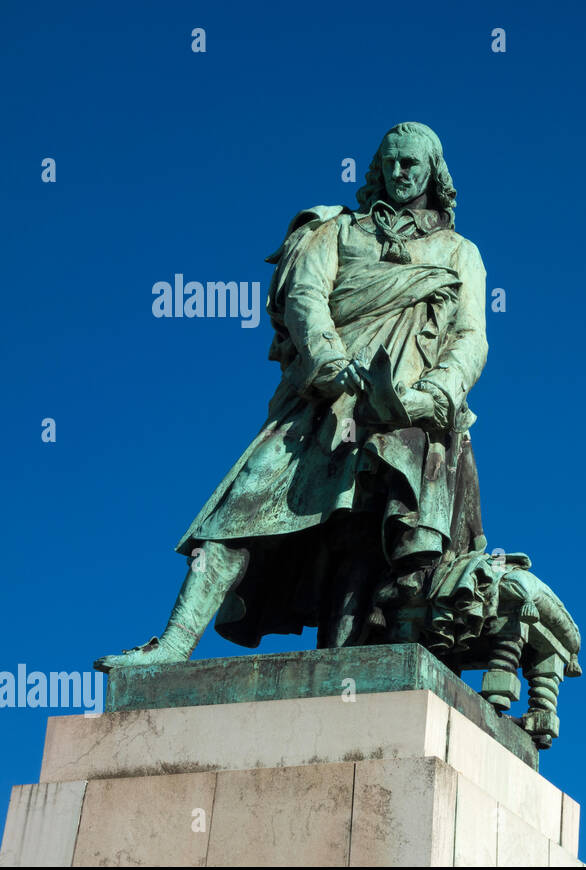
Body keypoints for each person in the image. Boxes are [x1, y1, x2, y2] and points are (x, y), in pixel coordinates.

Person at [96, 122, 488, 670]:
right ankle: (173, 644)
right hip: (323, 400)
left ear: (432, 173)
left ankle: (340, 669)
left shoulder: (459, 252)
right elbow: (306, 296)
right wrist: (330, 363)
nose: (401, 173)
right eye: (392, 162)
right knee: (237, 511)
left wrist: (434, 392)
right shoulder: (337, 231)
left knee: (361, 537)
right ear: (377, 167)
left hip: (403, 411)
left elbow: (471, 337)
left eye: (412, 164)